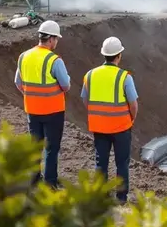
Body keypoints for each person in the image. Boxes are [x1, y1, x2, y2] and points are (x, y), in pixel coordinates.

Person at [81, 36, 138, 205]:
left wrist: (97, 114)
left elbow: (85, 99)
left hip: (99, 127)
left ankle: (101, 196)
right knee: (122, 164)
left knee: (101, 162)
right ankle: (121, 199)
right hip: (121, 127)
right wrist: (131, 119)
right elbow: (133, 104)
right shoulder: (124, 77)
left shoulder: (90, 75)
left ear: (103, 55)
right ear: (119, 55)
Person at [14, 20, 70, 188]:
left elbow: (18, 82)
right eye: (56, 39)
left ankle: (33, 180)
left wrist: (31, 95)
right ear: (51, 39)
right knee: (52, 148)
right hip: (53, 111)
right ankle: (50, 182)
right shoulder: (54, 60)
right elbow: (65, 85)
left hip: (32, 110)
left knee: (35, 145)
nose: (57, 43)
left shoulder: (24, 56)